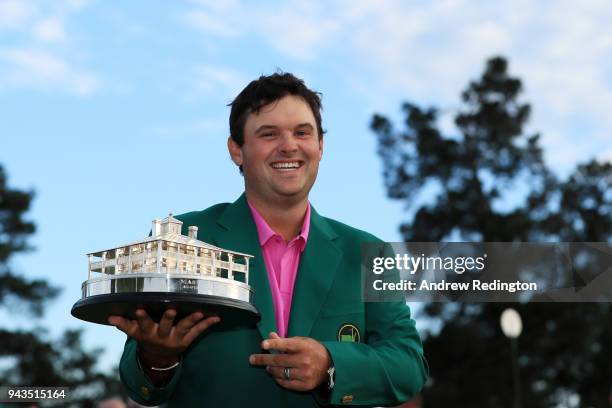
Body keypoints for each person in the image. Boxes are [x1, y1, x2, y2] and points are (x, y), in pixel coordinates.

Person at [109, 72, 427, 407]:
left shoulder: (368, 253)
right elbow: (138, 382)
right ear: (237, 150)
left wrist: (331, 365)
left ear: (320, 146)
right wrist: (158, 357)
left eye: (302, 132)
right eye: (269, 134)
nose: (289, 145)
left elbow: (408, 365)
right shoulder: (184, 238)